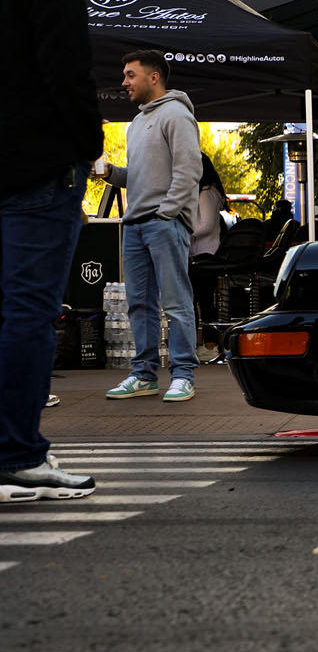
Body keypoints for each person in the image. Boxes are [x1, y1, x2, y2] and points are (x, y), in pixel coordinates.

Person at [0, 0, 102, 501]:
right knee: (28, 313)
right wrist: (86, 147)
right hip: (35, 165)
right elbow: (67, 70)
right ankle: (16, 454)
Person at [98, 50, 202, 403]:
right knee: (138, 305)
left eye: (131, 75)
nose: (124, 82)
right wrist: (113, 174)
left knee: (175, 302)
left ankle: (183, 374)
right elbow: (141, 178)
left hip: (162, 224)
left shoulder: (176, 114)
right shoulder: (135, 124)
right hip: (136, 225)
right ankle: (144, 375)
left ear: (153, 77)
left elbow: (190, 172)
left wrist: (167, 213)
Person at [189, 153, 228, 362]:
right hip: (202, 253)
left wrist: (184, 230)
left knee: (202, 300)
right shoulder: (206, 192)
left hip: (207, 254)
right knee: (199, 299)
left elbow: (205, 225)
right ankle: (205, 344)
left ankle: (210, 345)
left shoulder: (207, 193)